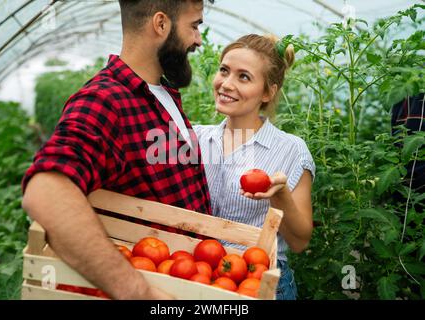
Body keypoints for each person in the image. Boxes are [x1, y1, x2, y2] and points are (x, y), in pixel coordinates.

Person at [21, 0, 214, 300]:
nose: (198, 40)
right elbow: (46, 190)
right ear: (161, 24)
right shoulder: (104, 101)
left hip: (189, 282)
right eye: (194, 25)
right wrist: (138, 292)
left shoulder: (161, 93)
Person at [194, 34, 315, 300]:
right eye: (224, 70)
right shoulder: (195, 139)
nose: (226, 84)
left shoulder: (290, 150)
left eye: (243, 77)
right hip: (200, 276)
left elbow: (299, 242)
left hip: (260, 280)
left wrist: (280, 194)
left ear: (268, 92)